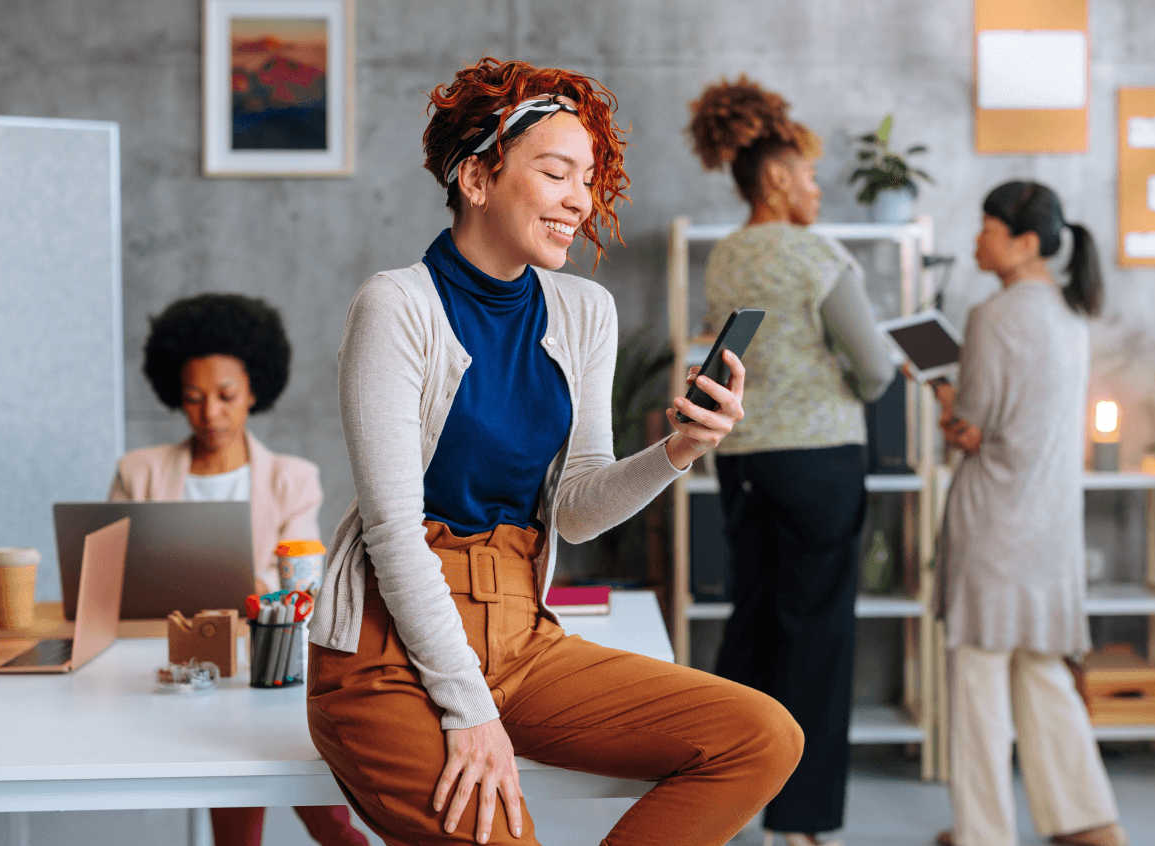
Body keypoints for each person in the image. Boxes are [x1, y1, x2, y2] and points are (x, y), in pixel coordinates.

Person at [306, 57, 804, 846]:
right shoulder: (396, 306)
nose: (582, 199)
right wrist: (469, 712)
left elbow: (574, 510)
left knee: (762, 735)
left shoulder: (584, 310)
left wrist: (677, 450)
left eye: (591, 177)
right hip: (388, 655)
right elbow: (394, 535)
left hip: (521, 637)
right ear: (477, 177)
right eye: (557, 172)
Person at [687, 77, 895, 846]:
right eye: (807, 175)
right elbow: (873, 370)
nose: (814, 188)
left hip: (741, 463)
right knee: (817, 636)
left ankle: (730, 805)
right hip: (818, 465)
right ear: (776, 177)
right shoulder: (817, 253)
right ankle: (801, 826)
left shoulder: (724, 257)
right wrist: (859, 374)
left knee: (752, 626)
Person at [108, 293, 370, 846]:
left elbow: (301, 583)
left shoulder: (292, 478)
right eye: (194, 399)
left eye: (226, 396)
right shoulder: (139, 472)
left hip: (264, 666)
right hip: (174, 662)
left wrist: (261, 591)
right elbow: (114, 581)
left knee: (317, 807)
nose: (211, 414)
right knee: (238, 809)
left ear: (254, 392)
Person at [930, 182, 1126, 846]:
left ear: (1026, 241)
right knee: (1042, 672)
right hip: (1048, 526)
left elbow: (970, 429)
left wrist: (938, 388)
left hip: (994, 523)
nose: (977, 238)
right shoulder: (1073, 313)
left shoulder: (994, 315)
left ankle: (983, 834)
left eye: (987, 227)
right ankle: (1086, 821)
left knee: (978, 685)